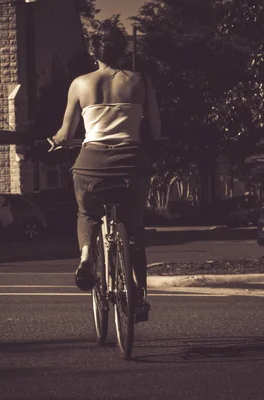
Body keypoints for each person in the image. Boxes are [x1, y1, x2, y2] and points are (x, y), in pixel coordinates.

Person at [48, 20, 161, 320]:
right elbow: (157, 128)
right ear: (123, 50)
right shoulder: (141, 81)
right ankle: (138, 296)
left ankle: (87, 256)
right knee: (134, 230)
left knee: (87, 214)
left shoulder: (80, 84)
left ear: (92, 51)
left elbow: (66, 132)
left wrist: (57, 142)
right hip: (131, 164)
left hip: (91, 165)